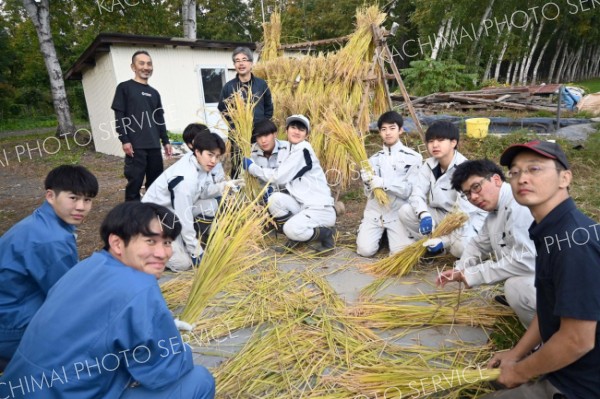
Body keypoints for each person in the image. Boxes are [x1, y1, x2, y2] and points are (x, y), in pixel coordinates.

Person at [0, 202, 215, 398]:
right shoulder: (140, 286)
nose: (162, 253)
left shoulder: (87, 266)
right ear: (117, 243)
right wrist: (177, 345)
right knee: (199, 380)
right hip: (65, 392)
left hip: (17, 388)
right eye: (150, 241)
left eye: (167, 242)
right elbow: (165, 370)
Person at [481, 140, 600, 398]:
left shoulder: (574, 243)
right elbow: (550, 310)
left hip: (579, 385)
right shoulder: (551, 230)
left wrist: (521, 371)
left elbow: (577, 340)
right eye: (515, 172)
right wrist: (516, 354)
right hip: (567, 369)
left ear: (564, 178)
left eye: (534, 169)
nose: (522, 178)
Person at [0, 165, 98, 368]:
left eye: (87, 200)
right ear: (51, 196)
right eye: (73, 198)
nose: (81, 207)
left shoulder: (38, 222)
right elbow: (69, 300)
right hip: (12, 327)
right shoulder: (50, 240)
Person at [436, 159, 536, 327]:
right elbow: (478, 244)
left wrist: (473, 275)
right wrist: (460, 268)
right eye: (467, 194)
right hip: (538, 273)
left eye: (476, 187)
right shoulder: (494, 213)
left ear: (496, 180)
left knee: (515, 288)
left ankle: (547, 338)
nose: (473, 197)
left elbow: (527, 260)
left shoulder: (520, 206)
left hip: (561, 281)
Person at [142, 130, 239, 271]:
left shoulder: (198, 163)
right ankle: (145, 248)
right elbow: (184, 217)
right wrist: (196, 251)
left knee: (211, 205)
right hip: (154, 221)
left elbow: (203, 191)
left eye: (217, 156)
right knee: (183, 263)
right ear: (198, 151)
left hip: (172, 212)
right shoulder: (186, 180)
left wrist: (224, 186)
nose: (213, 161)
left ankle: (188, 241)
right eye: (210, 155)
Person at [242, 115, 336, 253]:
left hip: (319, 208)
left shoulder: (303, 149)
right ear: (286, 130)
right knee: (274, 200)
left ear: (307, 134)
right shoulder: (292, 149)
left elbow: (278, 177)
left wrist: (252, 168)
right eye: (293, 127)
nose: (296, 132)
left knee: (289, 229)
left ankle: (326, 233)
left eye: (301, 129)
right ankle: (297, 236)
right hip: (303, 205)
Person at [398, 121, 486, 257]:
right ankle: (434, 248)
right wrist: (424, 215)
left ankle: (448, 245)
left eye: (440, 140)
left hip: (467, 219)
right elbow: (417, 193)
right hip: (442, 213)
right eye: (431, 141)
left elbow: (463, 215)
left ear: (453, 143)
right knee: (406, 211)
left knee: (459, 249)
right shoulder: (429, 164)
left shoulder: (466, 170)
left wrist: (443, 240)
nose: (435, 145)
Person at [356, 111, 422, 257]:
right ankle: (379, 235)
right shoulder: (372, 160)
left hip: (397, 213)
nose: (388, 133)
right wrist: (367, 182)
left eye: (392, 128)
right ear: (379, 132)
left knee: (399, 254)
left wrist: (383, 183)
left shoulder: (414, 158)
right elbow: (368, 194)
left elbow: (409, 191)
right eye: (383, 129)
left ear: (401, 130)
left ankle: (392, 235)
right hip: (375, 213)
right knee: (365, 251)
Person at [112, 50, 172, 201]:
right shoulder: (124, 88)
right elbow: (119, 116)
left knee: (155, 184)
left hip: (154, 146)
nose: (146, 67)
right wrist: (124, 139)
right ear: (133, 67)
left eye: (149, 64)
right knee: (134, 184)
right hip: (135, 146)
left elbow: (159, 118)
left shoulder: (154, 93)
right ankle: (131, 217)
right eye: (142, 63)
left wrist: (165, 141)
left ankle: (150, 214)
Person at [218, 46, 273, 178]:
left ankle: (260, 192)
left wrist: (262, 127)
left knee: (260, 164)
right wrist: (234, 127)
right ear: (234, 65)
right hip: (238, 136)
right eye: (237, 61)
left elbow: (268, 108)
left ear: (251, 63)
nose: (241, 63)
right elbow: (223, 109)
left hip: (258, 135)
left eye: (244, 59)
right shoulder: (229, 87)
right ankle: (238, 193)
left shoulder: (261, 85)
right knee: (238, 165)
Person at [249, 119, 289, 215]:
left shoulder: (287, 149)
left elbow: (286, 177)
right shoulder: (250, 151)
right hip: (259, 198)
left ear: (275, 134)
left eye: (266, 135)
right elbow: (244, 178)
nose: (263, 140)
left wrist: (273, 189)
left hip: (284, 194)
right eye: (259, 137)